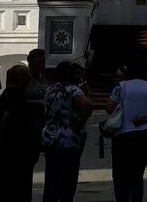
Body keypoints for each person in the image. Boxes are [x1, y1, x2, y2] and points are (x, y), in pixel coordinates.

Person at [105, 57, 147, 202]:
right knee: (137, 176)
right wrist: (144, 119)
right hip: (144, 136)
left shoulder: (121, 86)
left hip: (123, 136)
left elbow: (109, 108)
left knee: (120, 176)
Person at [0, 65, 40, 202]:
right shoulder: (18, 97)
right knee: (17, 190)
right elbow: (22, 125)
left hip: (2, 153)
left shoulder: (5, 94)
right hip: (16, 153)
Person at [42, 60, 93, 202]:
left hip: (50, 138)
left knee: (51, 178)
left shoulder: (50, 89)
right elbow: (87, 105)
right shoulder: (74, 90)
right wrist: (81, 121)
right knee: (68, 179)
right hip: (68, 138)